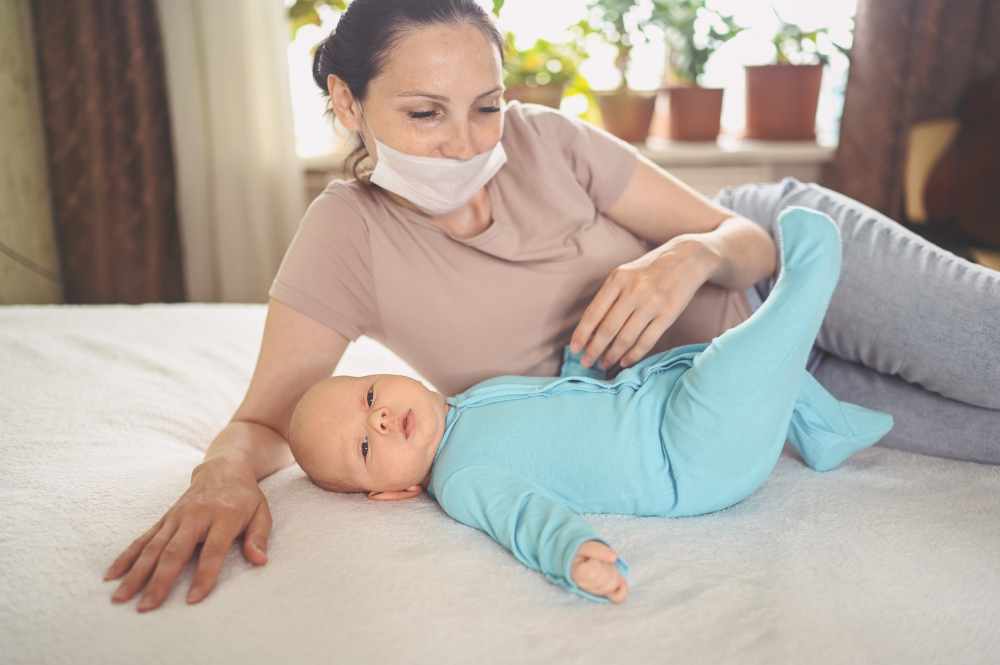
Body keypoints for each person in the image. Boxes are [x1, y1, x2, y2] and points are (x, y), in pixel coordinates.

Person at [104, 0, 999, 612]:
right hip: (751, 403)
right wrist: (220, 474)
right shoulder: (347, 240)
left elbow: (749, 241)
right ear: (348, 103)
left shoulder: (550, 143)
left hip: (793, 273)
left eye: (485, 105)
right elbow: (265, 418)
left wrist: (687, 257)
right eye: (425, 113)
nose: (465, 142)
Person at [285, 208, 893, 604]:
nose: (381, 419)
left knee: (706, 361)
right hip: (686, 462)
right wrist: (570, 553)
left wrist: (581, 365)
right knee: (738, 365)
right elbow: (524, 516)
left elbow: (560, 410)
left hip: (660, 407)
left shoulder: (469, 404)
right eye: (367, 446)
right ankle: (806, 285)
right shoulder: (463, 476)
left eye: (369, 397)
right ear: (392, 494)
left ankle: (824, 428)